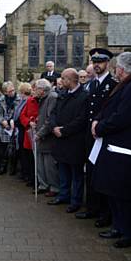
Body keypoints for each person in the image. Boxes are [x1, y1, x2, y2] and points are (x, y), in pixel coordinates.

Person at [92, 52, 131, 248]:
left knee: (122, 191)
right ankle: (118, 225)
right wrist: (98, 120)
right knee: (112, 189)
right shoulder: (126, 85)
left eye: (116, 67)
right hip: (114, 145)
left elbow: (122, 116)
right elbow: (109, 108)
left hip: (124, 147)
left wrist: (99, 127)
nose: (115, 70)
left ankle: (128, 231)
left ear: (122, 69)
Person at [76, 48, 117, 226]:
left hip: (103, 134)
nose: (96, 65)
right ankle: (92, 208)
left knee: (103, 175)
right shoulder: (92, 84)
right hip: (90, 135)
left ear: (107, 63)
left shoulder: (113, 84)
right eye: (94, 62)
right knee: (91, 173)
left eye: (100, 62)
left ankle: (104, 213)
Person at [49, 69, 88, 213]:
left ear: (70, 80)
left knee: (76, 174)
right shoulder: (62, 95)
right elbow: (53, 113)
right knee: (63, 171)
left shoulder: (84, 96)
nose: (61, 81)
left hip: (74, 141)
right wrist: (54, 127)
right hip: (60, 141)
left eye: (63, 79)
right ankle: (63, 195)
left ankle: (75, 200)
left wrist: (64, 130)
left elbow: (81, 119)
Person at [33, 79, 59, 194]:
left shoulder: (52, 97)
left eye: (36, 88)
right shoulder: (43, 98)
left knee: (49, 165)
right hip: (41, 136)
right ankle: (43, 184)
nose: (35, 91)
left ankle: (54, 187)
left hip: (48, 137)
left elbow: (50, 119)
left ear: (42, 90)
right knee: (41, 163)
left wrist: (40, 133)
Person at [0, 81, 20, 175]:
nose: (12, 92)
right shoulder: (1, 99)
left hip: (14, 126)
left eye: (13, 90)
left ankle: (13, 168)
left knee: (13, 149)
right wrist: (2, 121)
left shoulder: (18, 99)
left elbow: (19, 113)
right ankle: (3, 167)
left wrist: (12, 120)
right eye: (10, 91)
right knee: (3, 149)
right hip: (4, 127)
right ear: (5, 92)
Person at [19, 83, 39, 187]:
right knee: (29, 157)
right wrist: (28, 122)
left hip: (39, 132)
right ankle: (31, 178)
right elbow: (22, 115)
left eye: (35, 89)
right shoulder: (29, 101)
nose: (33, 91)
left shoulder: (43, 101)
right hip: (29, 132)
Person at [13, 82, 32, 179]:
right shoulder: (22, 101)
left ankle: (27, 173)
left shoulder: (27, 101)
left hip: (24, 130)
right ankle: (24, 172)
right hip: (20, 129)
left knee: (25, 153)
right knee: (22, 151)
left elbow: (23, 115)